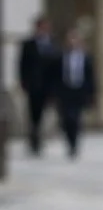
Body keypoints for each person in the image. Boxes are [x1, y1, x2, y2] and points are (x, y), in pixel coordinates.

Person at [18, 15, 61, 155]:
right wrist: (23, 83)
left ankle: (40, 138)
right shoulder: (28, 44)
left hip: (48, 86)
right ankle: (34, 141)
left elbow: (57, 67)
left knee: (45, 114)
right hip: (33, 85)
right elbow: (22, 65)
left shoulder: (53, 44)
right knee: (33, 115)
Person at [56, 26, 97, 157]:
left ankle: (74, 143)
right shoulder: (61, 57)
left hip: (79, 92)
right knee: (66, 119)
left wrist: (92, 94)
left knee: (76, 118)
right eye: (70, 39)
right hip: (65, 92)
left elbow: (91, 77)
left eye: (75, 39)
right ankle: (69, 141)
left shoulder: (86, 58)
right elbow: (54, 75)